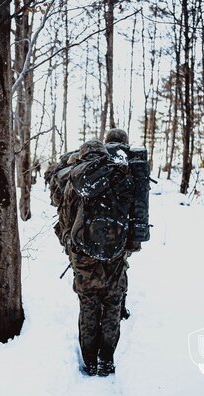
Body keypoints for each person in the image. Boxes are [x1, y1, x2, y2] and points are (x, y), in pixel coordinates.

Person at [59, 131, 141, 377]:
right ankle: (106, 357)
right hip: (115, 254)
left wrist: (69, 244)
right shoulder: (122, 176)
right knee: (113, 303)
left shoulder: (75, 182)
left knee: (89, 304)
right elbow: (132, 216)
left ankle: (89, 360)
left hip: (83, 256)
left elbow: (65, 220)